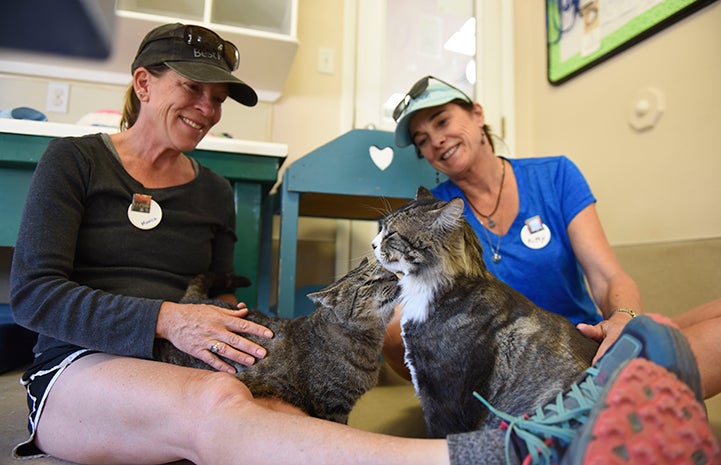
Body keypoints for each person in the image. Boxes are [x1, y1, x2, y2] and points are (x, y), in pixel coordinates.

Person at [8, 25, 715, 464]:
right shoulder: (73, 161)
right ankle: (496, 451)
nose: (207, 107)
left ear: (477, 114)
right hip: (88, 360)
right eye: (194, 88)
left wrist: (230, 327)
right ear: (142, 82)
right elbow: (33, 295)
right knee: (223, 409)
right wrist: (171, 320)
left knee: (269, 419)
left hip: (189, 357)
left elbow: (221, 289)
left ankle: (616, 401)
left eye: (219, 96)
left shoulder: (215, 190)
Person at [387, 75, 721, 400]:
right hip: (509, 370)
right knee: (391, 325)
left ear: (477, 114)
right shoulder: (433, 214)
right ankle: (584, 402)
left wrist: (623, 320)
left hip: (585, 344)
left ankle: (599, 400)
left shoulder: (556, 175)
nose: (436, 141)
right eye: (422, 141)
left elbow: (606, 277)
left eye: (442, 122)